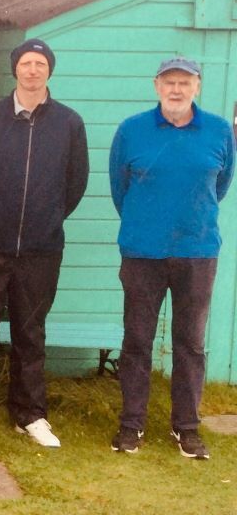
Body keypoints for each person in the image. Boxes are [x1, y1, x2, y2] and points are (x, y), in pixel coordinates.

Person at [0, 39, 89, 448]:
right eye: (25, 63)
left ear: (49, 71)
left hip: (41, 250)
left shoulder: (69, 123)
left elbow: (75, 183)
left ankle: (31, 414)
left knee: (30, 331)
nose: (32, 70)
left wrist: (47, 218)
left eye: (40, 63)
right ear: (15, 70)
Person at [108, 57, 234, 459]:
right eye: (169, 82)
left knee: (190, 343)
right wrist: (147, 225)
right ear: (156, 86)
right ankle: (132, 425)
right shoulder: (131, 130)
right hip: (142, 252)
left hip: (197, 252)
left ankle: (187, 428)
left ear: (197, 86)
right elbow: (119, 188)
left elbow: (221, 183)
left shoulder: (219, 130)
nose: (176, 90)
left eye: (184, 82)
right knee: (137, 340)